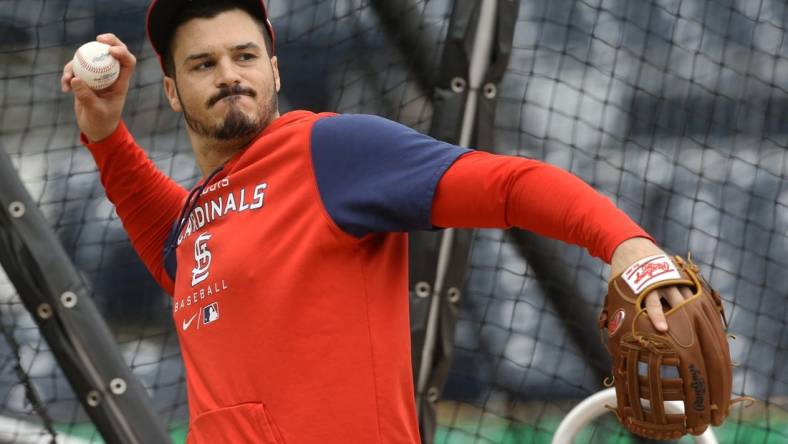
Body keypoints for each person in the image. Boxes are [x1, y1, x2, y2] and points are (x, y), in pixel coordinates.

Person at [60, 0, 695, 442]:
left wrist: (626, 244)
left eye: (244, 55)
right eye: (202, 64)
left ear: (275, 69)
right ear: (172, 92)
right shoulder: (200, 216)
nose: (229, 75)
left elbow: (510, 183)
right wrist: (105, 134)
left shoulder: (331, 152)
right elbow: (168, 239)